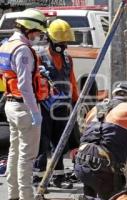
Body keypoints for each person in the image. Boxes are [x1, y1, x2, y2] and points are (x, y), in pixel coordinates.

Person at [0, 8, 48, 200]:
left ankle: (13, 195)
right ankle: (26, 196)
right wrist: (35, 111)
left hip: (11, 105)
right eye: (37, 32)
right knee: (27, 157)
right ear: (30, 29)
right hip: (24, 106)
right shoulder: (23, 49)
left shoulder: (6, 45)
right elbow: (24, 84)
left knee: (14, 152)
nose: (38, 36)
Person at [33, 19, 79, 189]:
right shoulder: (40, 56)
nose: (64, 45)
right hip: (45, 107)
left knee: (60, 142)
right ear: (51, 39)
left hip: (63, 107)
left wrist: (75, 101)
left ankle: (58, 178)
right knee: (42, 143)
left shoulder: (67, 58)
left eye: (66, 42)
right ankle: (38, 177)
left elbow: (72, 80)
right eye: (61, 42)